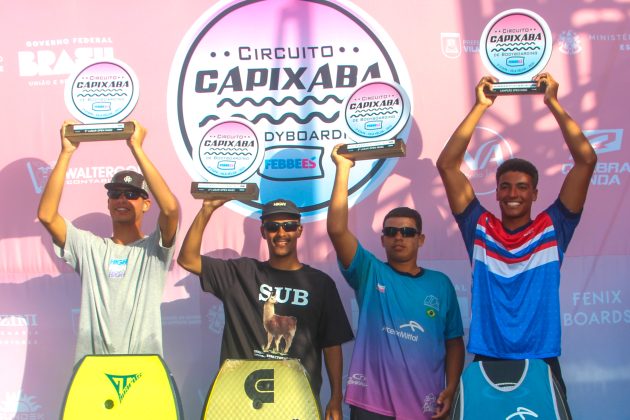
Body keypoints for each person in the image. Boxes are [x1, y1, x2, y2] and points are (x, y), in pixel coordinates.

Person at [436, 73, 597, 398]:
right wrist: (481, 106)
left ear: (535, 193)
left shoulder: (553, 227)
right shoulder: (479, 228)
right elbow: (448, 166)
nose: (513, 193)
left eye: (522, 187)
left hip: (541, 358)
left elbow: (586, 160)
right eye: (505, 186)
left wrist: (553, 102)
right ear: (495, 192)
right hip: (488, 358)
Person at [177, 198, 354, 420]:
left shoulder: (320, 283)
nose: (281, 233)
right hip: (239, 403)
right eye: (273, 226)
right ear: (263, 231)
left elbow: (331, 344)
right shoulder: (240, 274)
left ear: (299, 230)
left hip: (297, 402)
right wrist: (207, 209)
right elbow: (187, 259)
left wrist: (336, 398)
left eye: (288, 226)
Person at [327, 146, 465, 420]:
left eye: (407, 232)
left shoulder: (441, 284)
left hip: (427, 406)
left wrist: (451, 387)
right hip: (371, 405)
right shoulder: (370, 273)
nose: (398, 237)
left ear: (420, 239)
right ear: (382, 239)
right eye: (391, 231)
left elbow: (454, 342)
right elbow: (337, 229)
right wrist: (343, 169)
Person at [37, 120, 179, 364]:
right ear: (108, 202)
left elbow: (170, 209)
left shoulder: (154, 250)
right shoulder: (89, 247)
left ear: (146, 204)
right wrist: (66, 152)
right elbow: (47, 216)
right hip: (92, 367)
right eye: (115, 194)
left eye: (132, 194)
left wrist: (137, 149)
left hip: (143, 368)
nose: (122, 199)